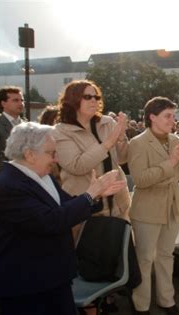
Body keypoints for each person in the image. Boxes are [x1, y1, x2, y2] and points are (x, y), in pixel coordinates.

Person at [0, 122, 125, 315]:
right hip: (27, 287)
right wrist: (89, 195)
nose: (56, 159)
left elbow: (66, 206)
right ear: (30, 154)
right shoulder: (8, 186)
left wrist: (96, 195)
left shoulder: (42, 176)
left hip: (54, 278)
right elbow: (51, 221)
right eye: (50, 153)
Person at [128, 97, 179, 315]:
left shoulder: (176, 140)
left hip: (173, 205)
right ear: (152, 117)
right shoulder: (138, 142)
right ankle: (141, 305)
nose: (173, 120)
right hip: (148, 207)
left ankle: (166, 300)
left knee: (166, 255)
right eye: (168, 116)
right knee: (145, 258)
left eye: (173, 115)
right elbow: (140, 179)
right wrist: (170, 163)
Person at [53, 80, 131, 239]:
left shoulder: (107, 122)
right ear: (73, 100)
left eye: (96, 96)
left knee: (118, 258)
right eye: (88, 97)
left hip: (118, 203)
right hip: (85, 207)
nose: (94, 100)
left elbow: (122, 159)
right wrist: (109, 142)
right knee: (87, 260)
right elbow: (77, 165)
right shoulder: (60, 131)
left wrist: (122, 137)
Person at [0, 86, 25, 175]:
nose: (20, 103)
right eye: (15, 100)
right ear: (3, 103)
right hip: (7, 178)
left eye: (22, 100)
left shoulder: (27, 125)